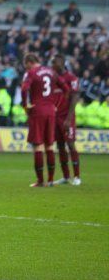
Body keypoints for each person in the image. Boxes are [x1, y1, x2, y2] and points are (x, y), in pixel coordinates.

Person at [21, 53, 69, 187]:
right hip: (50, 111)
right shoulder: (51, 72)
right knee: (49, 146)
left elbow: (24, 89)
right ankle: (51, 180)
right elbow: (66, 89)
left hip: (37, 110)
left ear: (29, 62)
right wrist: (56, 105)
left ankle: (40, 181)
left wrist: (25, 106)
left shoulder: (31, 72)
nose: (26, 68)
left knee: (38, 146)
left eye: (26, 65)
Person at [51, 54, 81, 186]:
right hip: (56, 117)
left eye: (55, 63)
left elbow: (74, 97)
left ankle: (77, 176)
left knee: (70, 144)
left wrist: (69, 118)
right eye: (52, 64)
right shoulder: (53, 79)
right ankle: (66, 176)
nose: (53, 66)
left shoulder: (71, 78)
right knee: (60, 146)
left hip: (67, 117)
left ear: (62, 63)